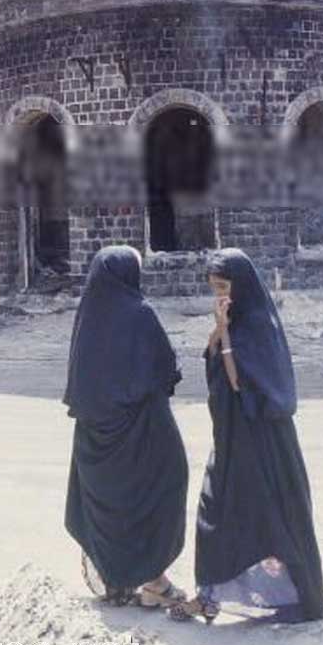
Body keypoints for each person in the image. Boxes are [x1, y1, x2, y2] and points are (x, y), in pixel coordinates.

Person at [170, 248, 323, 625]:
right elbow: (212, 357)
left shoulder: (257, 323)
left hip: (262, 443)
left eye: (224, 287)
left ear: (241, 285)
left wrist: (224, 331)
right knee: (216, 511)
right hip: (232, 438)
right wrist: (219, 329)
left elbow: (241, 382)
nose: (219, 295)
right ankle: (209, 595)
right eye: (214, 288)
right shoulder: (236, 319)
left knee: (267, 518)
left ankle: (289, 596)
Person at [63, 245, 189, 608]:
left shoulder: (87, 318)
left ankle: (117, 582)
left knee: (112, 507)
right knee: (161, 490)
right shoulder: (139, 314)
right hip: (144, 429)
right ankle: (155, 583)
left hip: (95, 436)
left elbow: (82, 383)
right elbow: (164, 368)